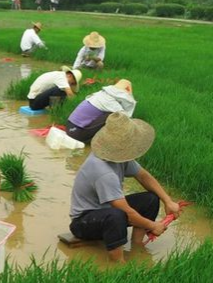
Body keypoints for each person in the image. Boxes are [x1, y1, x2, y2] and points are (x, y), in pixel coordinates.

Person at [69, 112, 182, 263]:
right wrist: (153, 225)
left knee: (150, 199)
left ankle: (137, 246)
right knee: (117, 216)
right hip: (83, 222)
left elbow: (143, 176)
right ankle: (118, 265)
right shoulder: (103, 171)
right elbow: (126, 212)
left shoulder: (120, 156)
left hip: (107, 211)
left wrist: (168, 201)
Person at [66, 78, 135, 143]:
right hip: (76, 132)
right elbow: (126, 117)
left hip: (70, 128)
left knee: (112, 115)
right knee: (114, 116)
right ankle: (111, 141)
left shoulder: (101, 94)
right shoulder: (108, 100)